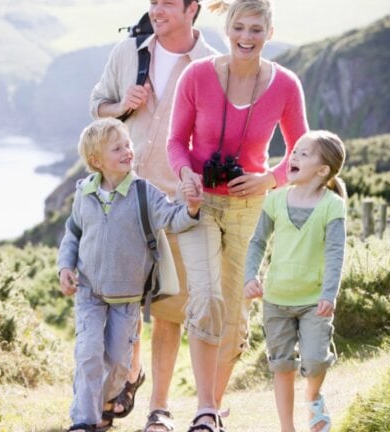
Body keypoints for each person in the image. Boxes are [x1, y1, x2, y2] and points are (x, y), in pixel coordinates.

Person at [166, 0, 308, 429]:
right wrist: (187, 174)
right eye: (239, 28)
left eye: (256, 30)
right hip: (200, 204)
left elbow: (303, 153)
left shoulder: (285, 85)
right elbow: (176, 142)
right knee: (206, 298)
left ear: (269, 32)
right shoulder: (197, 76)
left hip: (251, 207)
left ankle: (210, 409)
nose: (247, 37)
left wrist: (268, 179)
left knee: (234, 313)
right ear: (227, 28)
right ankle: (206, 408)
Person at [88, 1, 217, 430]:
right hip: (121, 200)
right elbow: (98, 107)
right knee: (120, 301)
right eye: (153, 2)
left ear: (192, 7)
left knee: (168, 310)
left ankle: (157, 409)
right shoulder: (128, 52)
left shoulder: (210, 66)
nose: (156, 9)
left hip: (172, 204)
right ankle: (126, 377)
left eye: (166, 2)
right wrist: (120, 104)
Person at [58, 118, 202, 432]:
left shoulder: (143, 192)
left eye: (127, 144)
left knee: (118, 362)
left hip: (127, 298)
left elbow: (170, 217)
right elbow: (73, 233)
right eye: (117, 147)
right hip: (89, 293)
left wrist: (190, 209)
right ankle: (83, 419)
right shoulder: (85, 192)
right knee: (88, 353)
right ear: (96, 161)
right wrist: (65, 267)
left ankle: (104, 403)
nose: (128, 150)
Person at [244, 130, 347, 432]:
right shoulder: (274, 199)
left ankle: (313, 398)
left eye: (304, 153)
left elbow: (335, 253)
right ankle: (287, 428)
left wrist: (330, 293)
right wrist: (251, 275)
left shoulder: (332, 205)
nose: (294, 156)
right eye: (295, 151)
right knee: (281, 365)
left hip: (315, 301)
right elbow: (257, 242)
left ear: (323, 170)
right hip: (276, 300)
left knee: (315, 361)